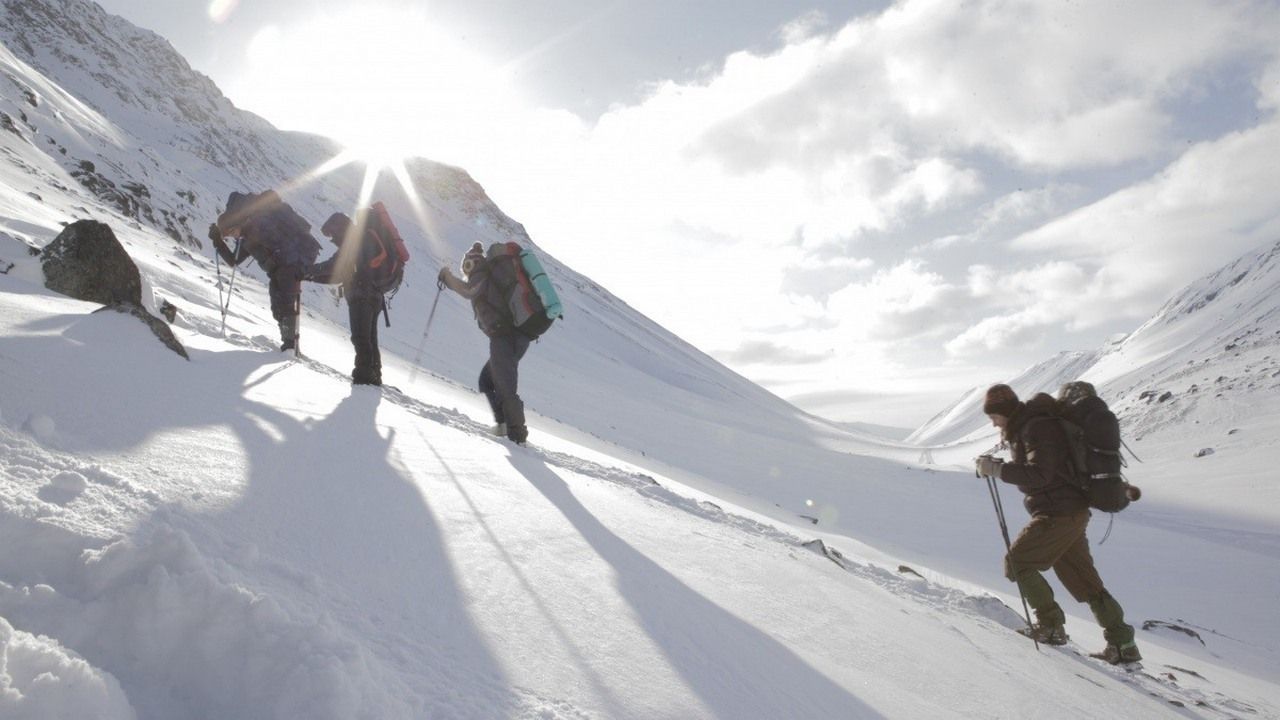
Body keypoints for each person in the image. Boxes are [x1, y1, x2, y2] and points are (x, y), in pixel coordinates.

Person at [975, 383, 1141, 664]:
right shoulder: (1031, 426)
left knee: (1018, 562)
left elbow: (1041, 475)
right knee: (1085, 581)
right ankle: (1123, 643)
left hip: (1058, 514)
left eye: (993, 417)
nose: (993, 424)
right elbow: (1047, 468)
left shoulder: (1035, 427)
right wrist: (1002, 465)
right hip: (1070, 513)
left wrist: (998, 469)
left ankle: (1051, 627)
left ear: (1004, 412)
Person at [438, 242, 531, 445]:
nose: (465, 270)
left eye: (466, 265)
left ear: (470, 263)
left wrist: (447, 278)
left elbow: (469, 290)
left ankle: (517, 435)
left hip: (505, 336)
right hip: (512, 336)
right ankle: (503, 425)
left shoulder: (480, 273)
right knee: (487, 381)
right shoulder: (489, 275)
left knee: (505, 386)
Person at [208, 191, 319, 351]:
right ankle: (288, 343)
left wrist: (287, 263)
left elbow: (284, 241)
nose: (233, 237)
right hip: (280, 267)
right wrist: (218, 242)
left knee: (285, 302)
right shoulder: (247, 236)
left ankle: (290, 346)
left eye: (232, 233)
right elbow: (234, 260)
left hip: (292, 261)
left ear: (237, 224)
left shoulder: (258, 225)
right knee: (277, 305)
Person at [304, 211, 385, 386]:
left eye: (332, 234)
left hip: (361, 295)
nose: (332, 238)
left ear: (339, 229)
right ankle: (375, 375)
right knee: (370, 337)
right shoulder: (362, 242)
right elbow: (338, 275)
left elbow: (333, 266)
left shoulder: (352, 243)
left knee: (361, 337)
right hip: (375, 295)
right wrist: (310, 276)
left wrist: (307, 271)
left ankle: (364, 376)